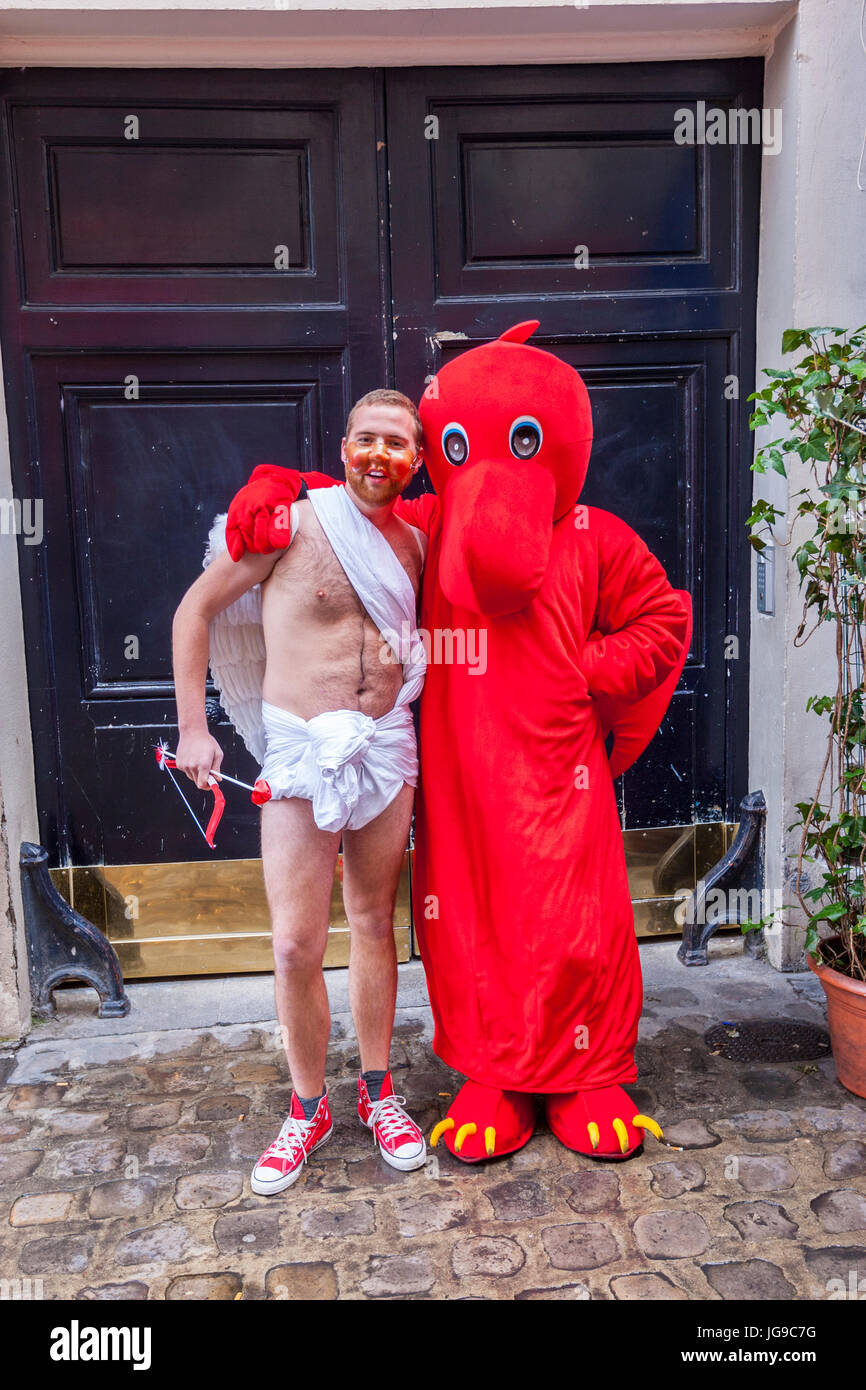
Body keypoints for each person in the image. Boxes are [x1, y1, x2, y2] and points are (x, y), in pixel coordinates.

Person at [171, 389, 430, 1193]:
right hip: (297, 747)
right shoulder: (293, 522)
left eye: (398, 443)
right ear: (345, 445)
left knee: (374, 926)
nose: (379, 454)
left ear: (416, 459)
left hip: (385, 747)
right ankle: (308, 1105)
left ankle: (380, 1094)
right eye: (367, 439)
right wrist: (193, 729)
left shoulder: (420, 543)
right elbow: (196, 610)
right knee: (294, 944)